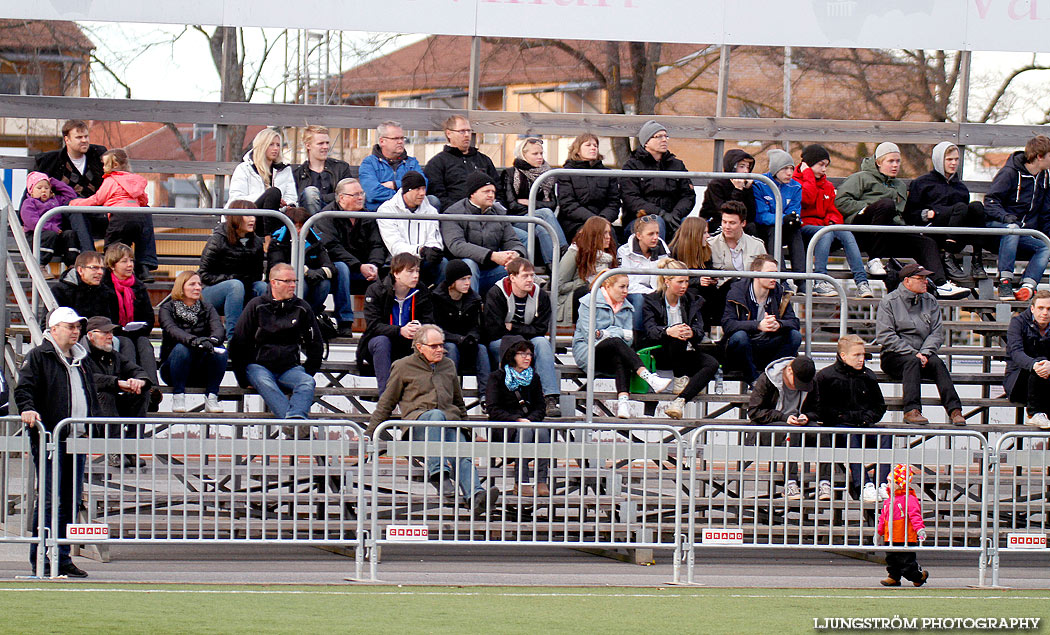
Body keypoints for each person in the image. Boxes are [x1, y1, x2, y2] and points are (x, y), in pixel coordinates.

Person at [367, 324, 500, 517]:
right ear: (420, 347)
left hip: (449, 424)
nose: (440, 350)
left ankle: (476, 496)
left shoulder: (448, 365)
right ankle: (439, 475)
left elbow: (458, 402)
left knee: (462, 451)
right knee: (436, 415)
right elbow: (386, 402)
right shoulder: (403, 366)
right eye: (435, 346)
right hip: (419, 425)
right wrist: (370, 432)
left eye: (442, 345)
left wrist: (469, 431)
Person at [15, 306, 97, 578]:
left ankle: (61, 556)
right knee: (51, 498)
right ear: (53, 329)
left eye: (77, 327)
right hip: (51, 438)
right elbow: (24, 388)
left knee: (70, 499)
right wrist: (28, 408)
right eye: (70, 326)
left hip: (75, 439)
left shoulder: (82, 359)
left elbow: (88, 393)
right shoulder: (39, 356)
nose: (76, 331)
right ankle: (42, 558)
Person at [835, 142, 970, 300]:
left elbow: (903, 214)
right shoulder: (860, 178)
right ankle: (873, 260)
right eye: (890, 161)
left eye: (898, 161)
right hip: (864, 230)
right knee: (886, 204)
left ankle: (941, 285)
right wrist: (868, 207)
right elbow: (841, 201)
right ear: (878, 162)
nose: (895, 165)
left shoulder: (898, 185)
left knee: (926, 242)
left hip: (890, 231)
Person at [229, 263, 323, 434]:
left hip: (290, 368)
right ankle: (297, 427)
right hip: (259, 366)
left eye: (294, 281)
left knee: (307, 382)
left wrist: (308, 370)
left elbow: (316, 344)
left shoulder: (302, 307)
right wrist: (243, 378)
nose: (293, 285)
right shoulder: (256, 305)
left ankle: (293, 421)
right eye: (287, 281)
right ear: (274, 282)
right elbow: (238, 342)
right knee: (265, 381)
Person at [801, 334, 889, 503]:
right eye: (856, 355)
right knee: (850, 437)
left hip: (863, 426)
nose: (861, 359)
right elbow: (816, 409)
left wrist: (867, 417)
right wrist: (842, 417)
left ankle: (882, 484)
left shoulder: (868, 376)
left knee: (885, 435)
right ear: (843, 356)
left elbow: (879, 406)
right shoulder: (825, 376)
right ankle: (863, 486)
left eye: (862, 354)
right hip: (838, 430)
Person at [875, 263, 966, 426]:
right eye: (921, 278)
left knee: (938, 363)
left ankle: (955, 410)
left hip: (922, 354)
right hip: (894, 355)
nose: (926, 281)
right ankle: (911, 410)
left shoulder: (930, 300)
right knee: (912, 361)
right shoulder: (889, 302)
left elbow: (937, 333)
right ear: (907, 281)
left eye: (926, 277)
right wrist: (913, 353)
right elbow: (885, 335)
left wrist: (924, 353)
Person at [573, 273, 672, 419]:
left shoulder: (628, 307)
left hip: (614, 354)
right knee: (616, 342)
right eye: (622, 287)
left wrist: (605, 332)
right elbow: (591, 336)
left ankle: (623, 403)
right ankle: (648, 377)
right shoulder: (588, 302)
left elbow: (629, 338)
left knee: (620, 354)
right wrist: (617, 332)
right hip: (588, 353)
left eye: (627, 286)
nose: (626, 291)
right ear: (608, 286)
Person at [640, 259, 720, 420]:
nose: (685, 285)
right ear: (667, 281)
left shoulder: (693, 300)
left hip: (686, 351)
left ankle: (680, 401)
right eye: (680, 281)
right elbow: (650, 331)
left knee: (712, 363)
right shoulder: (651, 300)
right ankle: (679, 378)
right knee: (677, 335)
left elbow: (699, 330)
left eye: (687, 281)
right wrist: (669, 331)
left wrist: (691, 332)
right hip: (662, 351)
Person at [482, 258, 561, 417]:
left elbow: (541, 329)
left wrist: (514, 327)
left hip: (528, 342)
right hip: (501, 342)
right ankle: (502, 397)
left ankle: (550, 397)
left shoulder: (541, 296)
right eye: (525, 276)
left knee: (542, 343)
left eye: (532, 275)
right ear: (512, 277)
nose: (531, 280)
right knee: (507, 347)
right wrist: (522, 337)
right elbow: (494, 331)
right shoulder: (496, 293)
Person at [793, 144, 872, 298]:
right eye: (820, 165)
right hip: (803, 228)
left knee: (845, 232)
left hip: (822, 228)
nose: (824, 169)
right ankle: (820, 280)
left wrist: (831, 222)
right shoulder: (795, 182)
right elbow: (807, 199)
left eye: (826, 165)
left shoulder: (827, 186)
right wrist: (808, 175)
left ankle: (862, 282)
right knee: (825, 234)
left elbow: (833, 211)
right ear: (808, 165)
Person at [68, 148, 158, 282]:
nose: (103, 168)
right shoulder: (136, 181)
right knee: (131, 241)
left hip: (119, 217)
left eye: (104, 164)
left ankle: (108, 275)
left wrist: (76, 203)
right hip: (137, 217)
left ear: (114, 165)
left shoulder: (111, 180)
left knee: (112, 246)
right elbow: (144, 200)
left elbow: (97, 199)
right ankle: (144, 268)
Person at [904, 142, 987, 285]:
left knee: (977, 207)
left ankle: (977, 261)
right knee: (961, 207)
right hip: (932, 231)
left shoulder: (961, 188)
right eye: (949, 159)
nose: (953, 163)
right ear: (939, 160)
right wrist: (928, 214)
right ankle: (948, 258)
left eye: (956, 159)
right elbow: (909, 214)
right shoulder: (922, 183)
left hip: (956, 236)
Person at [356, 252, 436, 396]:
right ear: (396, 273)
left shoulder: (422, 290)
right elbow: (373, 326)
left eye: (417, 271)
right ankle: (386, 397)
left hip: (409, 344)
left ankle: (426, 398)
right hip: (380, 344)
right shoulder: (376, 290)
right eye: (410, 271)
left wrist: (420, 328)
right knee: (381, 341)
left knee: (431, 344)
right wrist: (400, 331)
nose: (415, 275)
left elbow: (429, 320)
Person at [317, 178, 388, 336]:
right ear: (341, 198)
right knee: (342, 268)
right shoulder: (326, 216)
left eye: (361, 193)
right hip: (341, 268)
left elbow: (377, 245)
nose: (361, 197)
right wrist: (358, 266)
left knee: (389, 272)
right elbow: (332, 247)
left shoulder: (368, 216)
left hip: (365, 266)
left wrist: (374, 265)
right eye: (355, 194)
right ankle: (345, 321)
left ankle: (380, 324)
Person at [982, 135, 1050, 301]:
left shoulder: (1044, 177)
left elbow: (1045, 212)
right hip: (999, 231)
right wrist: (1007, 218)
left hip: (1025, 234)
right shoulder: (1010, 173)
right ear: (1039, 157)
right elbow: (990, 202)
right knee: (1013, 230)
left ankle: (1028, 286)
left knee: (1045, 246)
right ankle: (1005, 281)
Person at [82, 316, 151, 469]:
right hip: (88, 411)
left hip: (111, 410)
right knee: (105, 393)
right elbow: (88, 379)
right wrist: (116, 383)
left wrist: (140, 381)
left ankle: (132, 449)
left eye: (111, 332)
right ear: (90, 335)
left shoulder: (113, 354)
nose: (110, 336)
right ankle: (113, 450)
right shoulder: (79, 354)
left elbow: (136, 370)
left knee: (141, 393)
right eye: (105, 333)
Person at [441, 171, 526, 295]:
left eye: (493, 192)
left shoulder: (499, 213)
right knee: (469, 264)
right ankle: (471, 306)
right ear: (472, 193)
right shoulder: (453, 213)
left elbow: (512, 240)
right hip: (460, 275)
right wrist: (492, 255)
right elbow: (457, 245)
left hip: (490, 271)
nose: (491, 195)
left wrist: (516, 254)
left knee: (516, 266)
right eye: (486, 191)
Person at [722, 255, 802, 385]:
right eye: (770, 273)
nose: (774, 278)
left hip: (767, 345)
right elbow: (728, 324)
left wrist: (778, 325)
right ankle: (754, 380)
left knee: (794, 336)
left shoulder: (778, 291)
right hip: (742, 350)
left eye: (776, 273)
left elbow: (794, 322)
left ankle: (770, 375)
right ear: (756, 274)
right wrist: (758, 325)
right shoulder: (737, 291)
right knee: (740, 337)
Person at [746, 354, 818, 500]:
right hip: (769, 427)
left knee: (821, 432)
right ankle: (790, 482)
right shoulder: (767, 379)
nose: (799, 387)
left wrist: (808, 416)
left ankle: (825, 481)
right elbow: (754, 411)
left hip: (797, 424)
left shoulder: (809, 380)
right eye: (797, 382)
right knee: (792, 431)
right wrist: (783, 417)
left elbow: (818, 408)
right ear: (789, 370)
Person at [33, 119, 108, 253]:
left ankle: (141, 264)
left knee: (137, 213)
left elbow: (117, 178)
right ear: (67, 140)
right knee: (76, 209)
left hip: (97, 209)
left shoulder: (99, 156)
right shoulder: (51, 161)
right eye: (79, 137)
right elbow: (33, 188)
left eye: (86, 136)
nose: (84, 140)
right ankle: (89, 257)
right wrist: (22, 221)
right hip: (66, 215)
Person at [158, 271, 228, 414]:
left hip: (201, 368)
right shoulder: (167, 308)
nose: (197, 287)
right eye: (192, 284)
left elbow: (218, 329)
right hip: (173, 369)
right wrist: (195, 341)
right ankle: (178, 395)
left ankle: (212, 396)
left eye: (199, 284)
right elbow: (172, 330)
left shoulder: (207, 307)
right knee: (182, 348)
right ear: (181, 287)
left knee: (220, 350)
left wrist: (212, 341)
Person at [486, 335, 548, 497]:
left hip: (528, 424)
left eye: (529, 354)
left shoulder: (534, 378)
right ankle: (522, 481)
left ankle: (542, 480)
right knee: (525, 430)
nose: (527, 357)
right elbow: (493, 408)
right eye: (522, 354)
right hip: (504, 428)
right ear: (511, 355)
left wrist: (530, 420)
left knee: (543, 431)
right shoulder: (496, 378)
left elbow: (541, 407)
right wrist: (517, 420)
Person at [199, 201, 268, 341]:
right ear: (236, 217)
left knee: (262, 287)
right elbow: (204, 274)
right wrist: (231, 278)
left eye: (254, 215)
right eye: (247, 216)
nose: (253, 219)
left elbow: (256, 275)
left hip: (242, 288)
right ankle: (234, 340)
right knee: (235, 285)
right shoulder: (218, 239)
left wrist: (244, 280)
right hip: (212, 291)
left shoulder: (256, 243)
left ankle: (259, 337)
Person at [100, 242, 159, 405]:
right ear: (112, 265)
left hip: (136, 333)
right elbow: (105, 318)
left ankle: (152, 389)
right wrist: (122, 329)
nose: (130, 265)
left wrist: (141, 326)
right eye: (124, 261)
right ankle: (131, 387)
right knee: (126, 343)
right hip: (116, 333)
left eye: (131, 261)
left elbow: (148, 318)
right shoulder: (104, 286)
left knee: (144, 343)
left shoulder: (138, 286)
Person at [619, 120, 695, 239]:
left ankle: (689, 258)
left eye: (666, 136)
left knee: (691, 226)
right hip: (639, 221)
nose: (664, 140)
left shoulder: (677, 165)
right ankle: (658, 257)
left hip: (673, 217)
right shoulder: (632, 166)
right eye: (658, 137)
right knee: (657, 223)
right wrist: (661, 214)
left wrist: (675, 214)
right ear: (646, 142)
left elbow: (688, 196)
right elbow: (631, 199)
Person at [500, 137, 568, 270]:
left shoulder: (547, 174)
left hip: (538, 220)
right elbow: (512, 206)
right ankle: (564, 250)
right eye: (535, 154)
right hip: (517, 219)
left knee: (542, 229)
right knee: (545, 212)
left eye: (541, 153)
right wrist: (540, 205)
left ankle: (552, 268)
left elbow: (553, 204)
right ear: (523, 155)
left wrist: (529, 202)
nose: (540, 157)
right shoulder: (510, 174)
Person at [376, 171, 446, 287]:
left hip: (423, 261)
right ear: (406, 190)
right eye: (417, 189)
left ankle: (437, 301)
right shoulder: (386, 210)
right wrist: (420, 250)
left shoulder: (431, 210)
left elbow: (434, 238)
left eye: (424, 189)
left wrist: (434, 250)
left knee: (443, 263)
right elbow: (395, 246)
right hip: (397, 261)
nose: (422, 193)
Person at [432, 259, 490, 399]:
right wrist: (458, 339)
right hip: (446, 344)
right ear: (452, 281)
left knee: (481, 349)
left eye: (469, 278)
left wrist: (472, 338)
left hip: (466, 344)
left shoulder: (474, 299)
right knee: (450, 347)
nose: (467, 283)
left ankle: (486, 396)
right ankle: (450, 395)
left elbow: (477, 326)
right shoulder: (436, 298)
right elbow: (435, 328)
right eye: (463, 279)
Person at [227, 128, 298, 237]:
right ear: (262, 145)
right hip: (249, 215)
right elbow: (236, 199)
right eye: (271, 144)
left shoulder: (285, 170)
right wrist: (266, 197)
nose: (275, 149)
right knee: (273, 193)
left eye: (278, 145)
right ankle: (269, 238)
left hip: (276, 216)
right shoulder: (244, 168)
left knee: (300, 213)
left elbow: (292, 197)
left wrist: (286, 205)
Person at [424, 114, 502, 212]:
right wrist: (463, 210)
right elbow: (438, 196)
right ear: (449, 133)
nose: (466, 135)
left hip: (488, 215)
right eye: (461, 131)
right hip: (455, 216)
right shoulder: (437, 163)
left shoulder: (484, 160)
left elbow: (498, 189)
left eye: (469, 131)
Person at [267, 206, 334, 317]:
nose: (299, 230)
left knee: (324, 283)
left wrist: (317, 273)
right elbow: (276, 266)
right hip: (286, 282)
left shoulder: (315, 241)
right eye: (296, 226)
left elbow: (330, 267)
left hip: (312, 281)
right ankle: (292, 315)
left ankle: (310, 316)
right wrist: (306, 271)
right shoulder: (278, 241)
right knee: (300, 284)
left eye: (303, 226)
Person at [751, 149, 805, 286]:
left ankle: (801, 280)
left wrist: (793, 219)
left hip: (784, 227)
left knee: (796, 231)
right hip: (764, 230)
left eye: (791, 169)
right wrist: (782, 219)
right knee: (774, 229)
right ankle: (780, 277)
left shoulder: (795, 187)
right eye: (785, 168)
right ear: (775, 169)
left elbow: (794, 210)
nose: (789, 173)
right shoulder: (761, 183)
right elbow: (762, 215)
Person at [557, 133, 620, 243]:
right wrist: (593, 220)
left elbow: (614, 203)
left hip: (603, 220)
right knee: (588, 234)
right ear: (578, 150)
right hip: (575, 222)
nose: (593, 148)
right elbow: (568, 204)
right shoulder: (566, 172)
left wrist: (602, 220)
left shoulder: (607, 173)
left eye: (595, 145)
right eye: (588, 145)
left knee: (610, 235)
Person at [875, 464, 929, 587]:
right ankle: (893, 577)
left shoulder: (909, 499)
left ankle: (918, 576)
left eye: (890, 482)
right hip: (890, 537)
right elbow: (883, 519)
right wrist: (879, 533)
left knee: (906, 562)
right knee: (891, 560)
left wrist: (919, 529)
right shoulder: (888, 501)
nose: (888, 485)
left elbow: (915, 516)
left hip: (905, 537)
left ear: (900, 484)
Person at [557, 215, 617, 324]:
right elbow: (559, 286)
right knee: (587, 292)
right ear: (594, 235)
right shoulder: (574, 253)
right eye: (604, 233)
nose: (608, 237)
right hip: (573, 302)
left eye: (609, 233)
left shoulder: (609, 255)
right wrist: (586, 282)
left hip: (601, 300)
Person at [1004, 290, 1050, 429]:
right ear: (1032, 308)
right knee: (1040, 361)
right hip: (1018, 381)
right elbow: (1016, 353)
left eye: (1049, 309)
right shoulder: (1018, 323)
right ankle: (1033, 414)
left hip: (1046, 382)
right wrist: (1034, 365)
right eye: (1041, 308)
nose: (1045, 312)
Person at [616, 214, 670, 329]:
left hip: (656, 292)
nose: (655, 237)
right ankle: (637, 339)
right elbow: (627, 282)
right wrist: (649, 292)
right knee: (639, 299)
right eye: (651, 234)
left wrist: (656, 292)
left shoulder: (663, 251)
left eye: (657, 233)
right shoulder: (623, 251)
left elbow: (664, 279)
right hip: (632, 293)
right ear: (639, 235)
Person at [668, 216, 722, 329]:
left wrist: (712, 278)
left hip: (706, 290)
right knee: (694, 293)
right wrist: (698, 281)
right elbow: (673, 279)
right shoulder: (675, 251)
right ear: (694, 234)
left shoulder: (705, 249)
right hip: (687, 291)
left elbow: (708, 269)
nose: (708, 236)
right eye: (704, 233)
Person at [20, 171, 79, 275]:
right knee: (49, 234)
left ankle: (72, 266)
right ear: (31, 191)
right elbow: (31, 222)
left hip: (56, 237)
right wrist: (51, 227)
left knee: (70, 234)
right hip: (37, 237)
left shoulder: (56, 200)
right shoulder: (29, 203)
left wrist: (55, 182)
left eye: (46, 188)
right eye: (39, 188)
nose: (43, 190)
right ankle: (39, 265)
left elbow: (72, 196)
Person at [360, 120, 426, 212]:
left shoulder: (412, 163)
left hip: (410, 210)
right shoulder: (369, 163)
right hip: (378, 212)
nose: (400, 142)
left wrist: (395, 184)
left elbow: (423, 183)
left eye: (402, 138)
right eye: (395, 138)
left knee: (432, 200)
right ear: (382, 141)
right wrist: (406, 195)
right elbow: (372, 192)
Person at [292, 124, 353, 214]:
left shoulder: (341, 168)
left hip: (336, 217)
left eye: (327, 143)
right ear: (308, 145)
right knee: (310, 193)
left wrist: (320, 198)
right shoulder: (297, 174)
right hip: (308, 221)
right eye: (320, 143)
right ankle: (317, 228)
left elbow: (348, 195)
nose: (326, 147)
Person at [708, 201, 768, 289]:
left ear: (743, 223)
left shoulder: (757, 246)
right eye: (724, 222)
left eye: (732, 223)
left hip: (749, 293)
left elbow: (765, 275)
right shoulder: (710, 245)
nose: (727, 227)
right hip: (720, 294)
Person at [51, 251, 119, 324]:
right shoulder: (60, 291)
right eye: (94, 268)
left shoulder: (107, 292)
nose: (100, 272)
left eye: (102, 268)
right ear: (80, 270)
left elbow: (112, 322)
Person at [699, 149, 758, 231]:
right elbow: (727, 212)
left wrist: (747, 190)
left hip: (738, 224)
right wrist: (738, 190)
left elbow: (751, 215)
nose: (746, 171)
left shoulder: (746, 184)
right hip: (717, 223)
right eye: (741, 166)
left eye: (748, 167)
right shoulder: (716, 185)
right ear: (732, 166)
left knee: (751, 227)